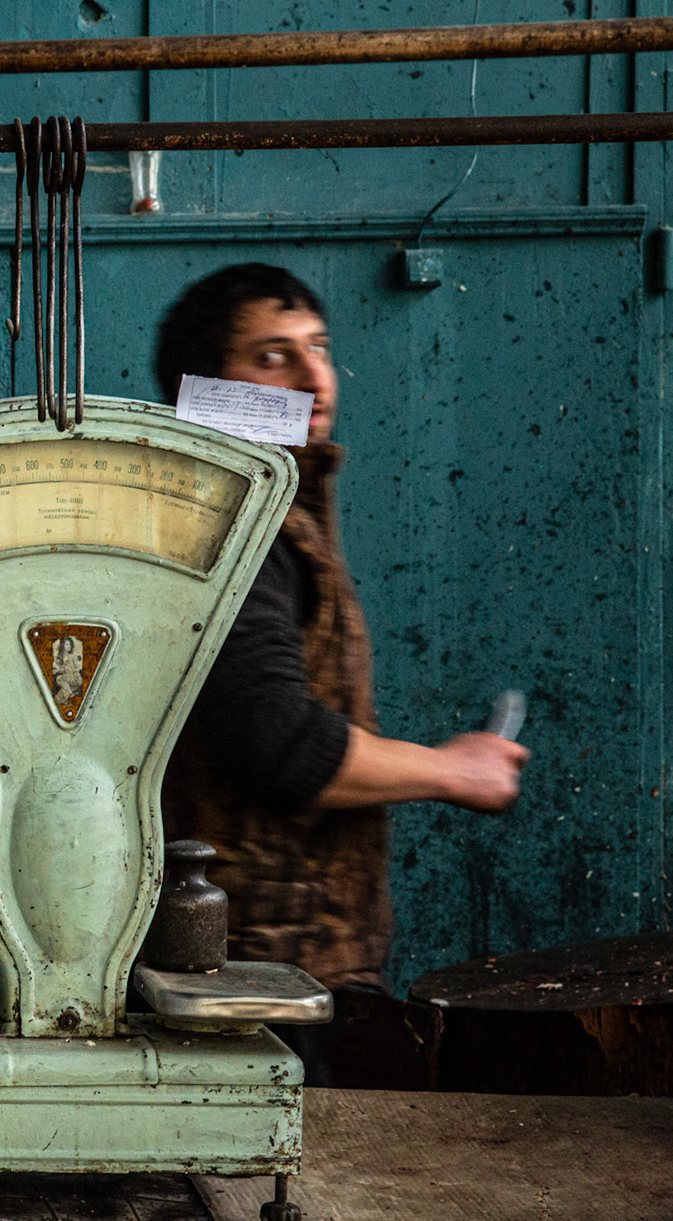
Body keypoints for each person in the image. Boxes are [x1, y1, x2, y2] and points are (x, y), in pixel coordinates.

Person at [154, 263, 530, 1087]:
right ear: (206, 391)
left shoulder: (280, 509)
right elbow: (278, 745)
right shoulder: (235, 524)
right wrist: (449, 769)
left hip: (287, 969)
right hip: (255, 978)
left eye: (319, 348)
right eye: (271, 356)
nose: (313, 376)